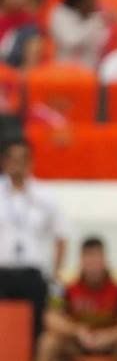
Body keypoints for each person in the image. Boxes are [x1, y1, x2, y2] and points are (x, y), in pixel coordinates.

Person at [0, 139, 69, 341]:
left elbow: (61, 236)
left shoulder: (45, 196)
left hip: (33, 273)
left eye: (23, 160)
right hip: (2, 270)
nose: (18, 165)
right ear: (4, 162)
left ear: (31, 162)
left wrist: (56, 274)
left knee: (36, 329)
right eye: (13, 160)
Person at [48, 0, 109, 69]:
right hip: (65, 71)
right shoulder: (59, 13)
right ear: (79, 1)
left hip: (91, 71)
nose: (95, 2)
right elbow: (71, 41)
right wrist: (95, 22)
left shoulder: (96, 17)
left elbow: (102, 43)